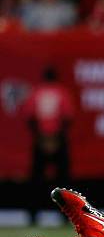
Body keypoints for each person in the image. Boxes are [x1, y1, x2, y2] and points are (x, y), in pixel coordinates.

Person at [21, 67, 74, 226]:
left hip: (40, 139)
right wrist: (56, 139)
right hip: (58, 139)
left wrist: (41, 138)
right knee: (63, 182)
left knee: (36, 181)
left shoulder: (36, 93)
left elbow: (29, 117)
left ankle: (33, 215)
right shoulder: (62, 92)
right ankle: (66, 217)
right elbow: (68, 117)